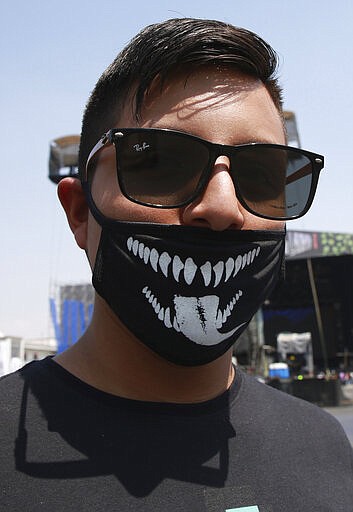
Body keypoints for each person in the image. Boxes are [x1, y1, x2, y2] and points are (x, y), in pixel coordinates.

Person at [1, 18, 352, 511]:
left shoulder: (324, 445)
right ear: (80, 213)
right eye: (161, 163)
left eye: (263, 175)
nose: (224, 206)